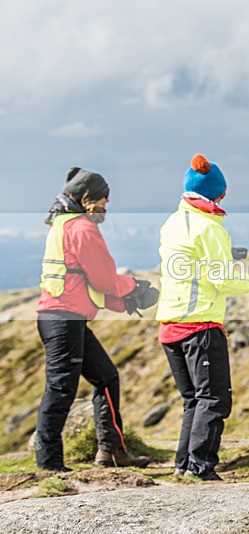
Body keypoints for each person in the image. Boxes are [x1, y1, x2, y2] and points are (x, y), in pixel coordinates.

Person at [157, 154, 249, 481]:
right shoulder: (210, 229)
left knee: (194, 400)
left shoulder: (173, 223)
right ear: (217, 193)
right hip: (200, 326)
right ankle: (201, 468)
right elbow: (222, 279)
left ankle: (183, 464)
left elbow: (192, 264)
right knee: (215, 400)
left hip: (169, 326)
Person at [35, 168, 158, 471]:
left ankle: (111, 451)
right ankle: (49, 461)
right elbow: (103, 279)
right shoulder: (82, 228)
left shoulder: (62, 224)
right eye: (104, 196)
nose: (107, 202)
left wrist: (124, 302)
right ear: (88, 198)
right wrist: (134, 288)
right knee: (61, 388)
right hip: (65, 320)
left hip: (62, 316)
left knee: (105, 377)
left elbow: (84, 282)